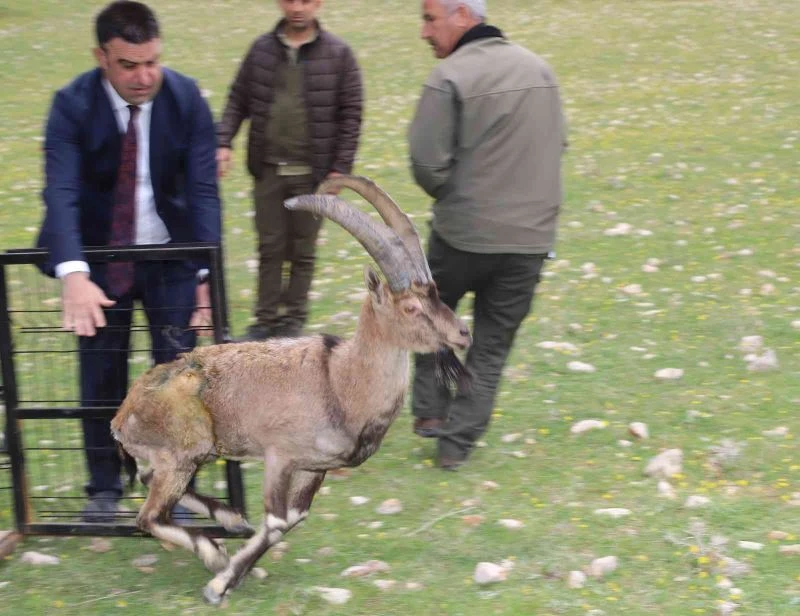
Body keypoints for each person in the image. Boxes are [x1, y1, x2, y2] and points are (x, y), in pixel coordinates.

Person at [36, 0, 221, 520]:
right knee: (100, 376)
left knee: (179, 382)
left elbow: (204, 192)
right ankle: (103, 490)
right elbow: (62, 192)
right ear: (101, 57)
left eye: (152, 62)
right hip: (99, 258)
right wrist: (73, 273)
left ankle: (175, 489)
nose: (144, 77)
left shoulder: (186, 99)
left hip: (172, 256)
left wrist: (207, 280)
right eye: (128, 65)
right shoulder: (70, 105)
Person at [408, 0, 567, 469]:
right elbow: (558, 143)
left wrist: (453, 192)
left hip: (463, 234)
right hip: (530, 241)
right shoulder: (541, 70)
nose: (424, 32)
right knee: (492, 345)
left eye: (429, 19)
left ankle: (432, 413)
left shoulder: (448, 77)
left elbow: (426, 162)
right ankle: (455, 448)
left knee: (429, 315)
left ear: (462, 15)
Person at [217, 0, 363, 340]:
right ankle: (265, 322)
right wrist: (223, 140)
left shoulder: (339, 55)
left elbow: (351, 114)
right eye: (290, 0)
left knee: (303, 251)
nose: (298, 7)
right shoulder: (261, 50)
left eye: (306, 0)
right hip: (268, 171)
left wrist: (340, 169)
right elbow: (238, 98)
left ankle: (293, 322)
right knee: (269, 248)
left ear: (319, 3)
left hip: (313, 176)